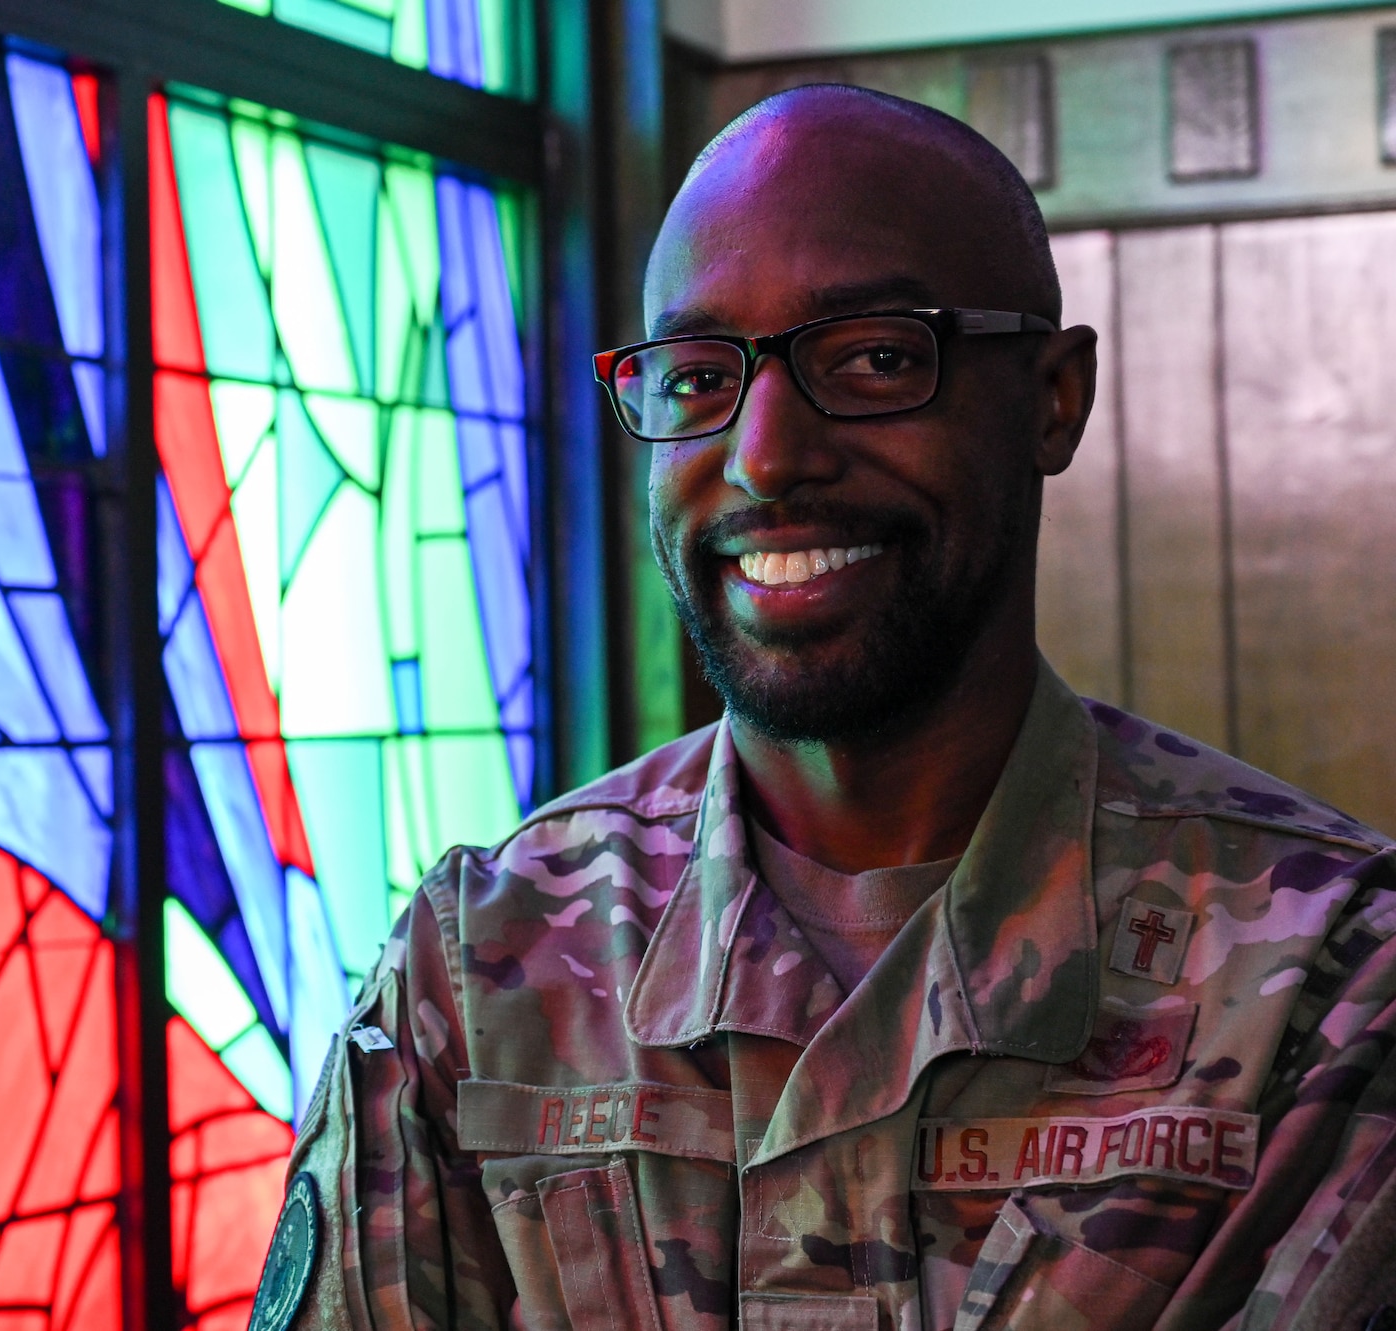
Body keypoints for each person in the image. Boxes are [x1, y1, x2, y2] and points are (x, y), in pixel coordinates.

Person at [244, 84, 1396, 1331]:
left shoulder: (1326, 973)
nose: (765, 454)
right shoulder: (479, 962)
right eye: (695, 376)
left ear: (1051, 399)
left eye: (875, 358)